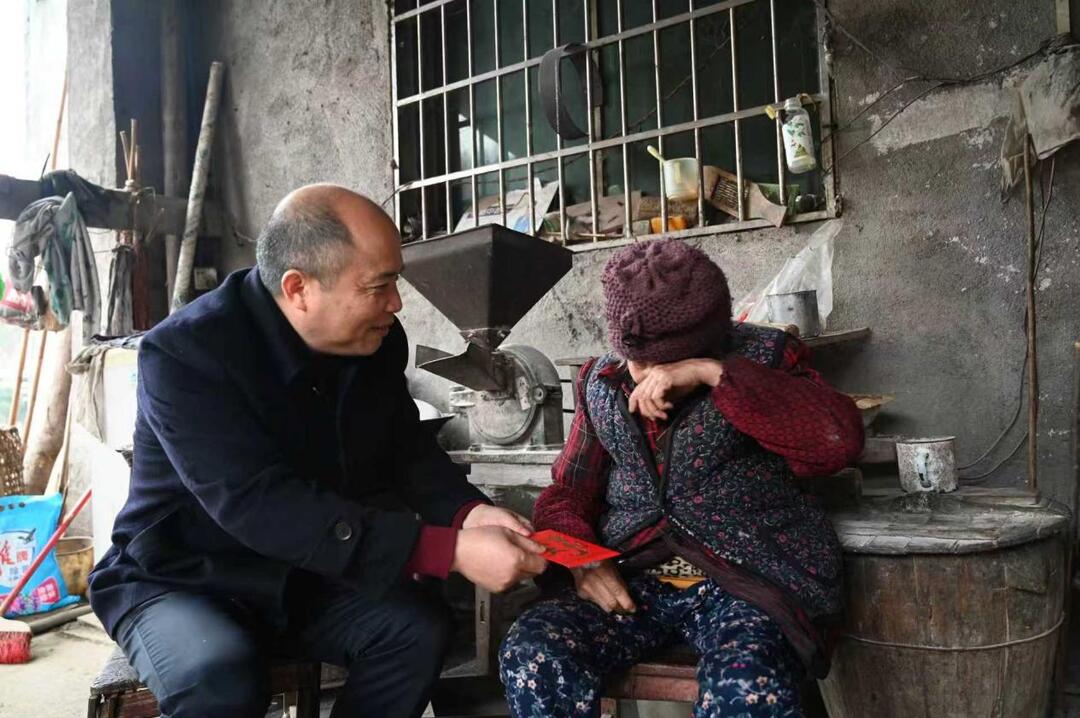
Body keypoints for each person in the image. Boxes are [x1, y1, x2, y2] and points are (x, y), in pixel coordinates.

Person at [88, 184, 547, 718]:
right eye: (378, 286)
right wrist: (447, 551)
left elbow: (405, 450)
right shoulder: (186, 354)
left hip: (299, 573)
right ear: (298, 288)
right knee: (218, 677)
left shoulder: (375, 342)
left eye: (395, 282)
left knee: (416, 630)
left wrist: (467, 513)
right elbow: (259, 502)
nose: (395, 304)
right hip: (185, 576)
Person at [499, 239, 864, 717]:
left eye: (667, 365)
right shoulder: (600, 382)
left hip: (747, 580)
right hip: (636, 579)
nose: (648, 379)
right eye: (639, 362)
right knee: (532, 653)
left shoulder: (768, 358)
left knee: (747, 686)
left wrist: (716, 375)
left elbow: (837, 443)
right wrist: (582, 561)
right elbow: (568, 492)